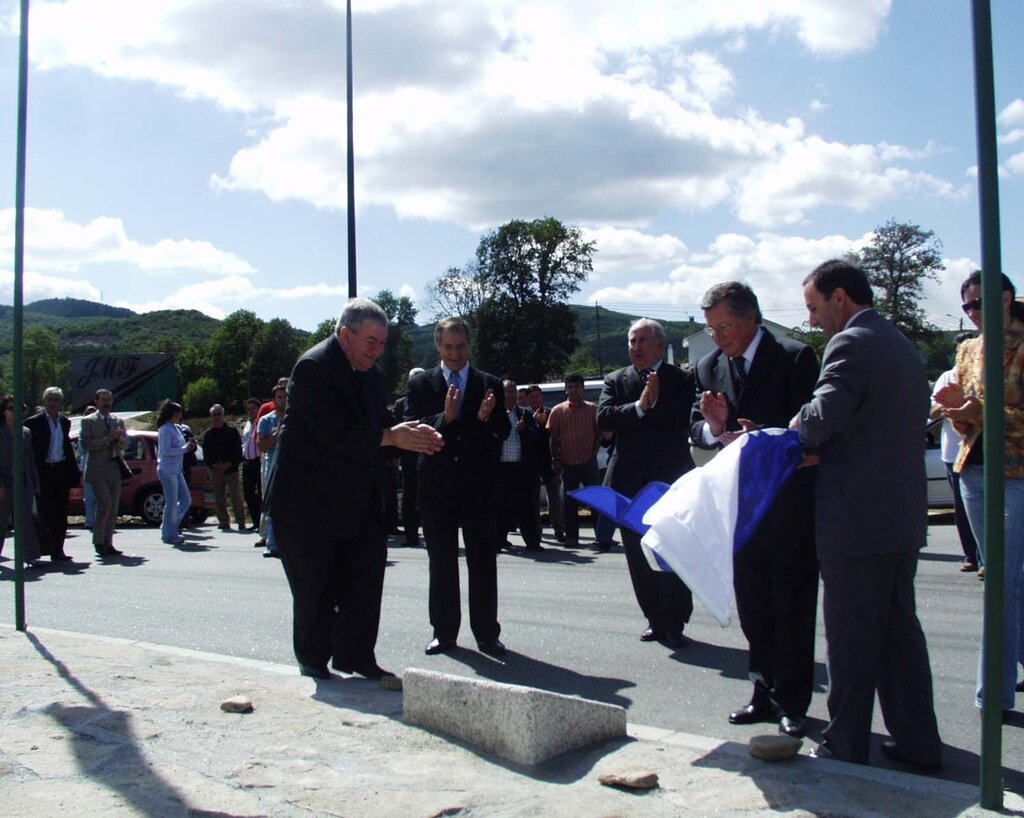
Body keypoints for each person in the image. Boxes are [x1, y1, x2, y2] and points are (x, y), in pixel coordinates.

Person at [794, 259, 941, 770]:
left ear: (840, 298)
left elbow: (824, 415)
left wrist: (796, 427)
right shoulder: (898, 343)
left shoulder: (852, 342)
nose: (812, 320)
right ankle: (920, 744)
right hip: (898, 517)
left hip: (856, 522)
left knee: (852, 641)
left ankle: (845, 743)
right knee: (900, 637)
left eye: (814, 307)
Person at [263, 298, 443, 680]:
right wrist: (389, 436)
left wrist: (414, 432)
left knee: (365, 577)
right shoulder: (313, 368)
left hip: (357, 498)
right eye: (370, 342)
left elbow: (383, 423)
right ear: (345, 335)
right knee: (316, 587)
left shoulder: (373, 377)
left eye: (382, 343)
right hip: (306, 502)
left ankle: (356, 656)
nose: (377, 350)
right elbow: (334, 433)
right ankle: (313, 660)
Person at [690, 282, 819, 739]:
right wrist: (714, 428)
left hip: (788, 503)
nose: (718, 337)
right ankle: (761, 690)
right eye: (711, 328)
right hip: (740, 508)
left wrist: (759, 433)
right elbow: (697, 428)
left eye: (724, 326)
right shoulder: (708, 366)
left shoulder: (794, 357)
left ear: (752, 317)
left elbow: (809, 427)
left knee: (793, 604)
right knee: (754, 606)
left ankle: (794, 701)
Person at [935, 270, 1024, 709]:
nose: (971, 313)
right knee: (1006, 578)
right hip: (973, 470)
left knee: (1002, 582)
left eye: (978, 304)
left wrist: (980, 409)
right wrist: (957, 411)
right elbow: (965, 416)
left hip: (1016, 475)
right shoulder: (968, 349)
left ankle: (994, 693)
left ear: (1004, 299)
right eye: (966, 306)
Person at [405, 316, 510, 657]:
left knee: (483, 563)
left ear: (469, 345)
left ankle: (486, 634)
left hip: (478, 487)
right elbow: (416, 429)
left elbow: (502, 433)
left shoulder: (489, 383)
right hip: (437, 487)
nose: (455, 353)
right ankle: (444, 632)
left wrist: (482, 419)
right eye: (448, 347)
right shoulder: (422, 385)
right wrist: (446, 418)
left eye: (461, 346)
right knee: (442, 563)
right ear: (438, 346)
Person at [598, 318, 695, 649]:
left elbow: (683, 418)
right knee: (638, 555)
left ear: (658, 344)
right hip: (628, 483)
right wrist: (640, 407)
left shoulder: (681, 379)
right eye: (631, 341)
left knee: (672, 552)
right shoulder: (616, 380)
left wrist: (656, 403)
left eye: (642, 341)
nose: (635, 348)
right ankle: (654, 618)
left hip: (669, 481)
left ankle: (675, 620)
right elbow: (604, 417)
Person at [929, 333, 980, 574]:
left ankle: (985, 558)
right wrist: (952, 408)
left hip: (981, 450)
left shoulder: (983, 373)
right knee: (963, 509)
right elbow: (933, 411)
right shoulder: (946, 378)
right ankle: (971, 555)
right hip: (953, 454)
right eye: (961, 350)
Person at [23, 387, 80, 562]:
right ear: (44, 402)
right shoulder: (33, 423)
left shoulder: (64, 422)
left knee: (61, 514)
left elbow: (67, 448)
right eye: (50, 399)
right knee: (45, 513)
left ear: (61, 402)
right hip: (43, 473)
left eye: (56, 400)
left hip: (60, 472)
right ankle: (43, 548)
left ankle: (58, 551)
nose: (53, 403)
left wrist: (73, 473)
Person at [547, 374, 601, 548]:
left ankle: (602, 537)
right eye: (570, 387)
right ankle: (572, 537)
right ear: (565, 389)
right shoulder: (558, 410)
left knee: (596, 501)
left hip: (588, 462)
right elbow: (553, 438)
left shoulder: (593, 409)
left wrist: (594, 451)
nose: (573, 390)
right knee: (569, 503)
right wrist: (555, 459)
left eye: (577, 387)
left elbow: (598, 432)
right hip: (567, 463)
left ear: (582, 389)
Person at [81, 388, 129, 558]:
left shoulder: (118, 421)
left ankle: (108, 542)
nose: (106, 403)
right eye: (103, 400)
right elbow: (86, 444)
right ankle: (98, 541)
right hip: (97, 468)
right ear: (96, 401)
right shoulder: (88, 421)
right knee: (105, 504)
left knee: (114, 507)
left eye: (109, 400)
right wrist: (107, 439)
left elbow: (126, 444)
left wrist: (118, 439)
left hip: (114, 467)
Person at [498, 379, 544, 552]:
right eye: (506, 392)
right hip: (501, 469)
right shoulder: (494, 414)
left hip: (521, 469)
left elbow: (536, 439)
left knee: (527, 507)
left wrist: (524, 430)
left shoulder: (525, 414)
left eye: (512, 392)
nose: (509, 395)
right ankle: (499, 540)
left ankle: (532, 542)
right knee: (501, 506)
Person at [0, 395, 41, 567]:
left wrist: (35, 482)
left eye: (20, 409)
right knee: (1, 521)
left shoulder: (25, 432)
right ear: (3, 411)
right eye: (11, 409)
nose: (16, 412)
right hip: (4, 482)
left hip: (23, 481)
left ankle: (31, 555)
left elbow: (30, 459)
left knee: (25, 520)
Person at [526, 384, 565, 543]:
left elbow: (555, 436)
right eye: (532, 397)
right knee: (533, 499)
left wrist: (543, 425)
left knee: (555, 497)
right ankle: (536, 532)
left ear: (542, 397)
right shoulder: (523, 415)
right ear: (527, 399)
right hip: (531, 463)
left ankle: (559, 530)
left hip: (550, 461)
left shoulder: (550, 413)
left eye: (537, 396)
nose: (535, 399)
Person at [393, 367, 425, 547]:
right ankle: (410, 535)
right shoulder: (400, 404)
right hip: (409, 456)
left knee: (428, 495)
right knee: (409, 495)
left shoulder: (433, 398)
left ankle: (430, 533)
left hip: (428, 453)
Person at [156, 400, 195, 546]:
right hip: (167, 469)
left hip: (177, 469)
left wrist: (188, 446)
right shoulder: (165, 429)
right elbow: (166, 451)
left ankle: (170, 526)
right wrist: (184, 449)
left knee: (186, 499)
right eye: (178, 413)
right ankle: (169, 533)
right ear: (171, 414)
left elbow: (180, 446)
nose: (180, 416)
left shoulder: (176, 428)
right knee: (171, 502)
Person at [203, 404, 246, 531]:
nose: (217, 417)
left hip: (231, 469)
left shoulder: (232, 431)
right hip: (215, 470)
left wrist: (229, 463)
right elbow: (206, 453)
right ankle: (223, 521)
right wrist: (213, 465)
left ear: (223, 415)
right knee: (218, 497)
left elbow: (238, 450)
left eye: (219, 414)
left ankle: (241, 521)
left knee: (236, 496)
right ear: (211, 416)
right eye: (214, 414)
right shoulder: (208, 434)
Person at [257, 385, 287, 559]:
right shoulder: (266, 420)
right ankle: (272, 543)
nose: (283, 400)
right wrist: (278, 434)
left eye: (285, 397)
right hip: (272, 463)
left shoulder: (295, 417)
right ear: (274, 400)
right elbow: (261, 446)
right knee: (272, 503)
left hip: (290, 464)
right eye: (279, 397)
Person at [240, 397, 263, 533]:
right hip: (248, 461)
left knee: (261, 493)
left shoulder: (261, 422)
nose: (251, 412)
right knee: (248, 493)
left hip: (258, 460)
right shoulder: (247, 424)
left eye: (253, 409)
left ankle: (261, 523)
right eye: (248, 409)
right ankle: (255, 521)